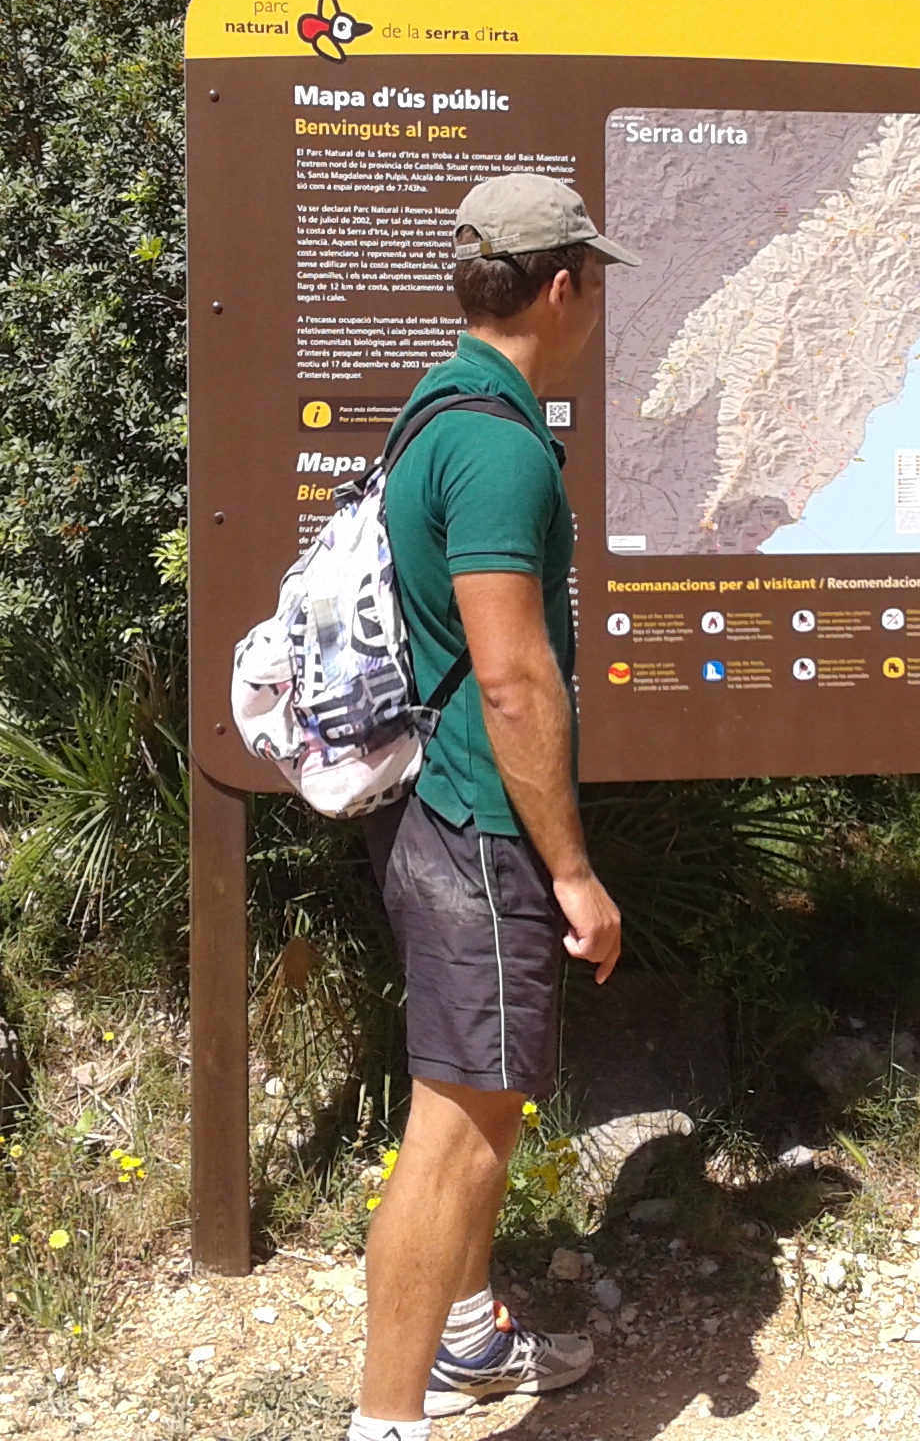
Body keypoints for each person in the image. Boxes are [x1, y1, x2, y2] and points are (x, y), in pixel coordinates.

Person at [349, 174, 632, 1441]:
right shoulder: (502, 445)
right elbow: (513, 679)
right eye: (597, 275)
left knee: (483, 1098)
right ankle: (386, 1421)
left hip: (428, 813)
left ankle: (465, 1341)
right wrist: (571, 869)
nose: (599, 297)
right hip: (483, 828)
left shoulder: (437, 407)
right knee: (457, 1129)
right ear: (562, 283)